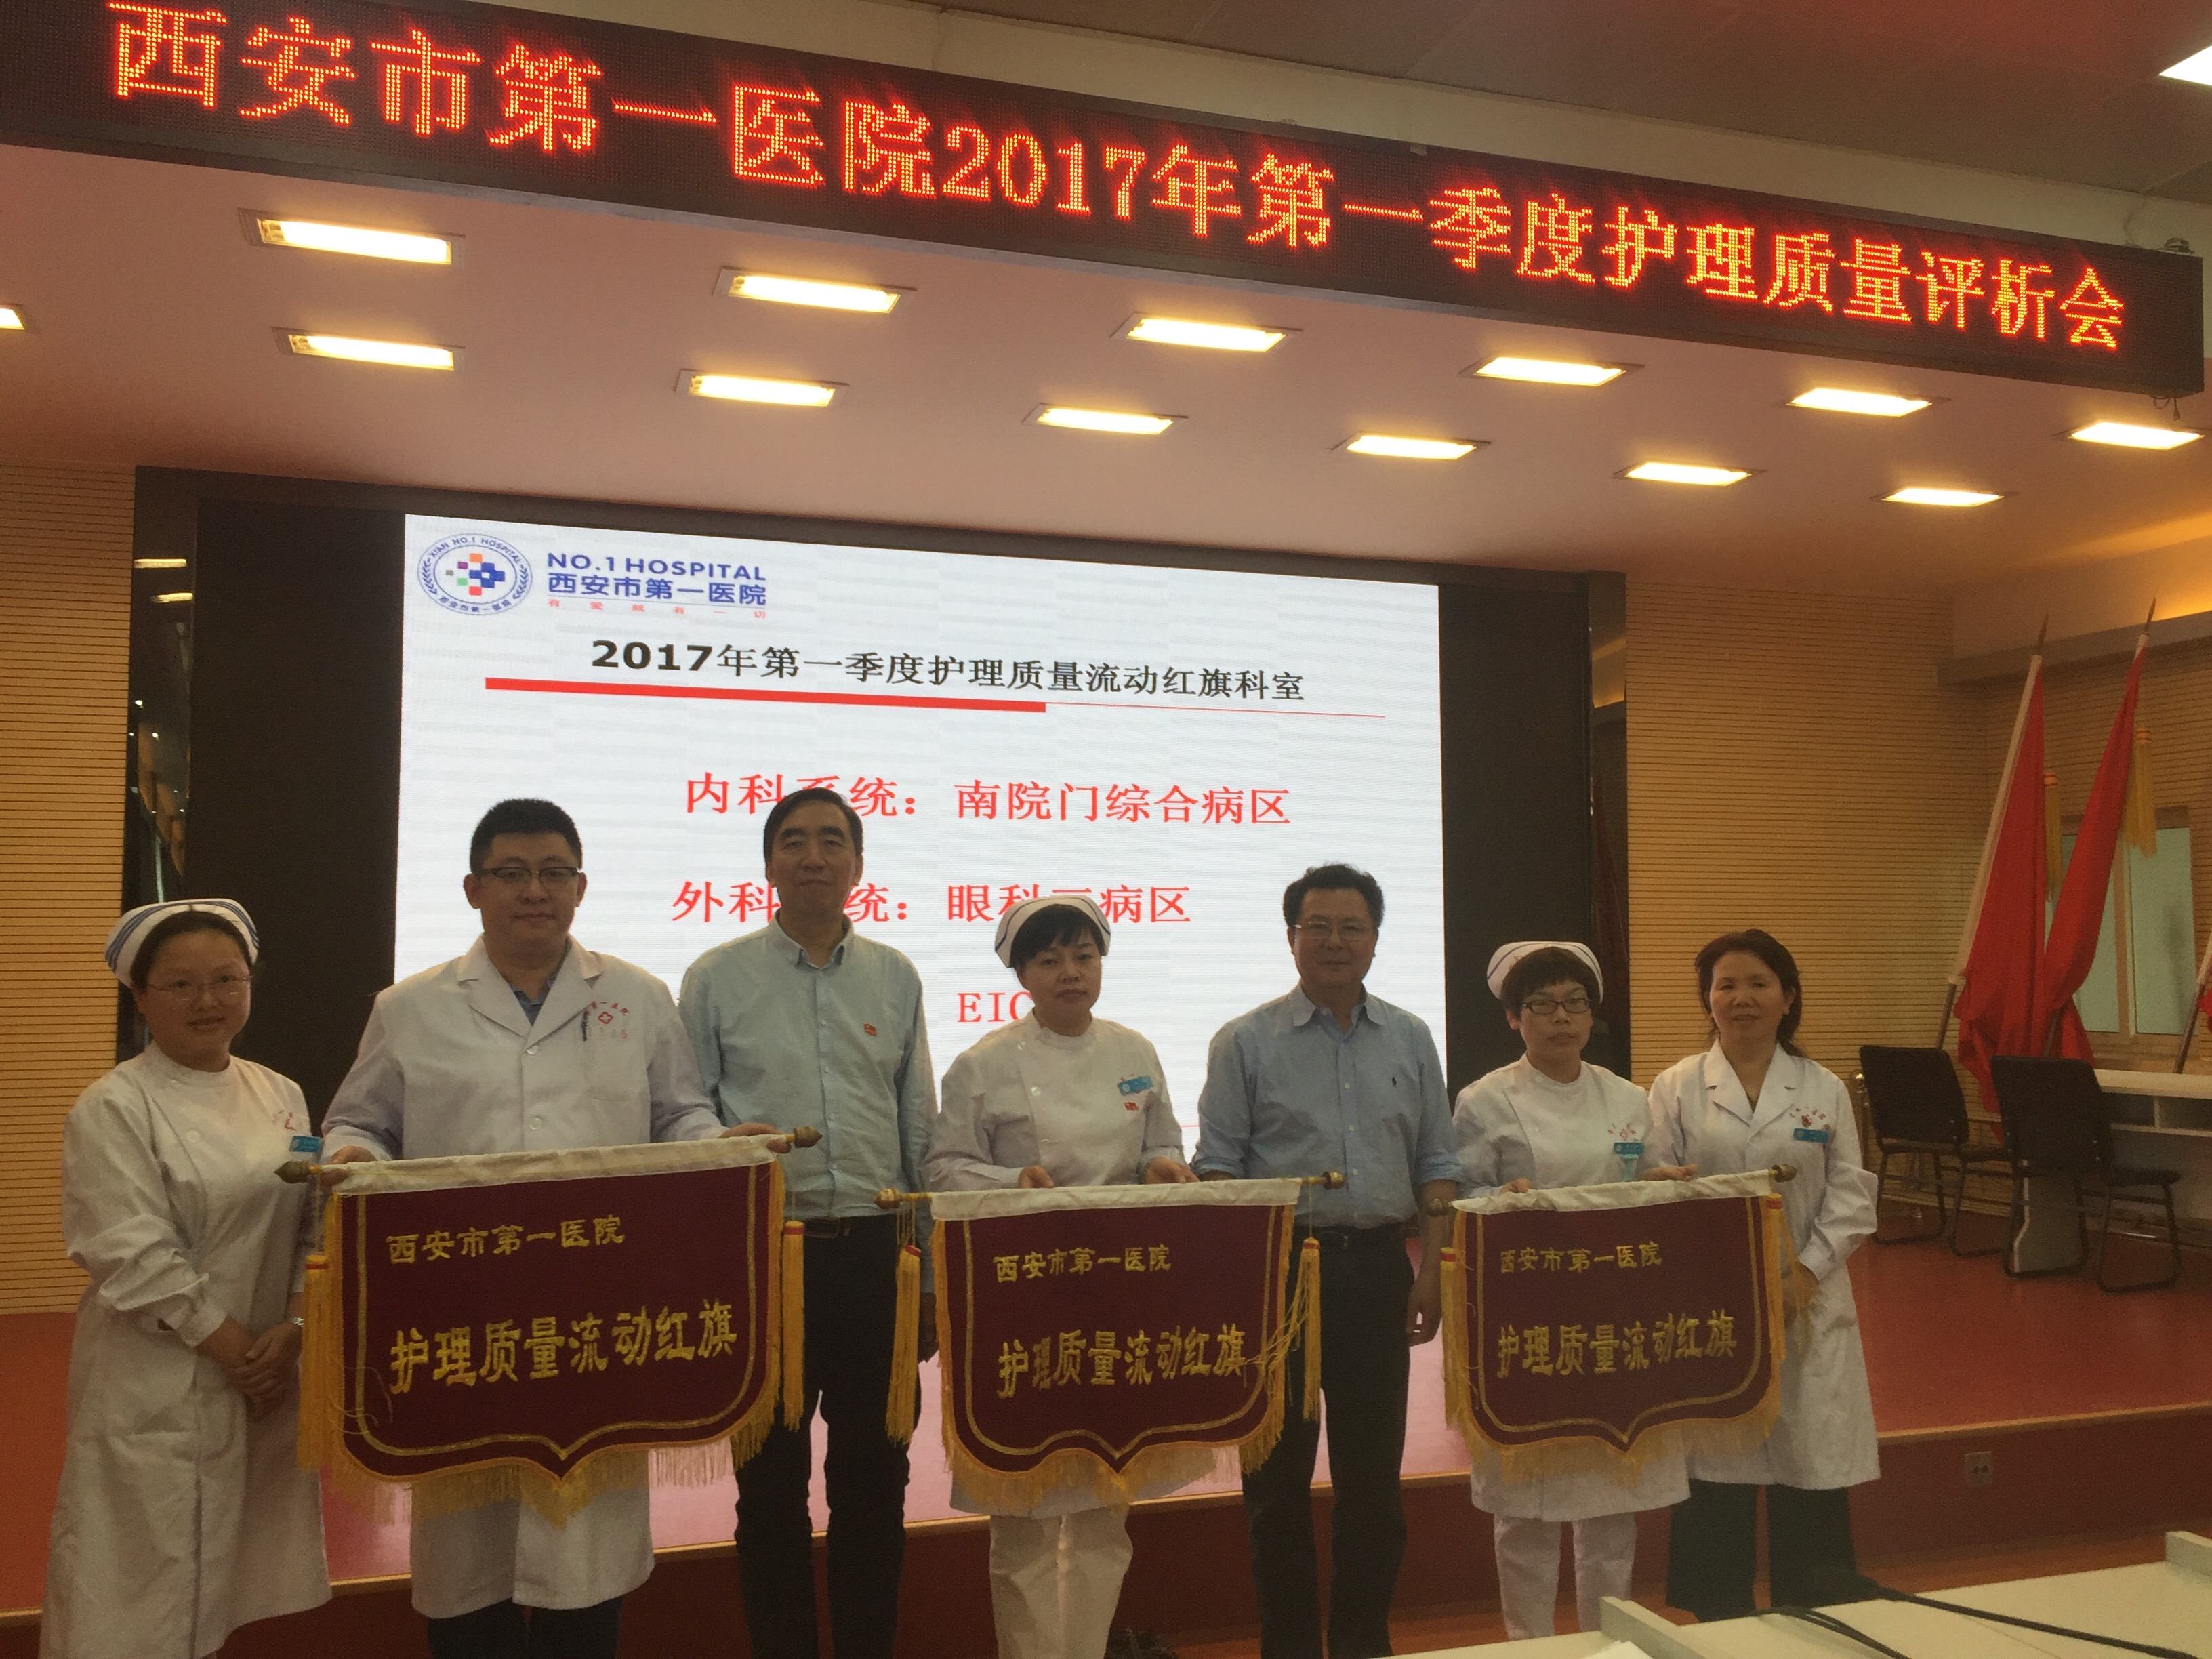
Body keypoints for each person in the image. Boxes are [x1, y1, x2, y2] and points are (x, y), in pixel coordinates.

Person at [321, 799, 732, 1659]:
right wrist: (354, 1157)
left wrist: (722, 1145)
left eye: (553, 873)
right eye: (511, 874)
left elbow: (679, 1114)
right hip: (463, 1308)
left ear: (580, 887)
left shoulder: (637, 996)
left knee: (583, 1553)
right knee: (468, 1552)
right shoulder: (410, 1006)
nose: (534, 891)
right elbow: (359, 1122)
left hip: (596, 1311)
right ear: (474, 889)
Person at [679, 787, 937, 1659]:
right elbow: (687, 1115)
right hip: (769, 1257)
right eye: (794, 841)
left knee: (877, 1484)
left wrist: (928, 1272)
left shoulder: (895, 976)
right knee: (769, 1491)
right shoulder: (715, 978)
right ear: (769, 865)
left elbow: (917, 1128)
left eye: (833, 841)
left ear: (859, 865)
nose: (814, 856)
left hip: (877, 1255)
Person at [42, 899, 329, 1658]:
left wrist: (294, 1330)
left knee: (224, 1578)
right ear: (141, 997)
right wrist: (239, 1354)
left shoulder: (280, 1094)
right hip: (157, 1375)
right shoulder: (114, 1106)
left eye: (227, 979)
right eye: (182, 985)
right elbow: (130, 1253)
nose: (209, 1001)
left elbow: (308, 1223)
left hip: (262, 1367)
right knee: (136, 1588)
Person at [1193, 863, 1458, 1659]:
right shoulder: (1245, 1041)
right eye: (1319, 926)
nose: (1335, 941)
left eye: (1352, 927)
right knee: (1275, 1491)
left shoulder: (1410, 1037)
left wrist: (1433, 1268)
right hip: (1281, 1276)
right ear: (1292, 937)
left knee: (1373, 1489)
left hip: (1379, 1270)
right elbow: (1218, 1169)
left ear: (1375, 939)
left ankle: (1362, 1642)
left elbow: (1436, 1162)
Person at [924, 896, 1197, 1659]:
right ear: (1022, 975)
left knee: (1108, 1500)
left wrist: (1162, 1166)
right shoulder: (983, 1063)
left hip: (1117, 1294)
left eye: (1084, 956)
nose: (1070, 973)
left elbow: (1163, 1146)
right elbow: (942, 1168)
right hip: (1024, 1297)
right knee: (1027, 1508)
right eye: (1049, 960)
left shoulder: (1134, 1049)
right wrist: (1012, 1179)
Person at [1454, 941, 1687, 1639]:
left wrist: (1661, 1184)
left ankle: (1607, 1640)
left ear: (1591, 1015)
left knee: (1610, 1493)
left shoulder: (1627, 1097)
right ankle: (1527, 1646)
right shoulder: (1485, 1099)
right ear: (1513, 1018)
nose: (1561, 1018)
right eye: (1542, 1005)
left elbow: (1645, 1182)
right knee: (1524, 1504)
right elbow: (1461, 1196)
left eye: (1575, 1003)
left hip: (1610, 1315)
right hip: (1523, 1316)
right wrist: (1499, 1198)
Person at [1647, 929, 1878, 1620]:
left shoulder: (1822, 1088)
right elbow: (1655, 1188)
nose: (1741, 997)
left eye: (1758, 983)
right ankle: (1718, 1620)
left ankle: (1815, 1617)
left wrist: (1805, 1273)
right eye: (1726, 985)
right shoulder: (1676, 1086)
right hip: (1711, 1302)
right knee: (1717, 1463)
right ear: (1707, 1000)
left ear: (1788, 998)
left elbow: (1851, 1194)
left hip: (1807, 1297)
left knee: (1808, 1461)